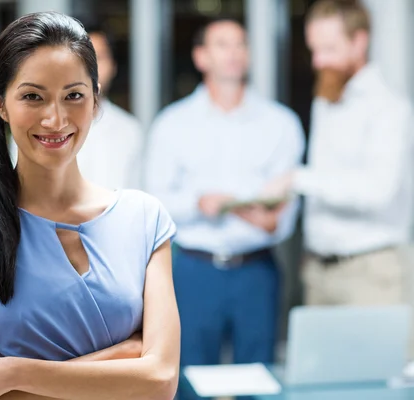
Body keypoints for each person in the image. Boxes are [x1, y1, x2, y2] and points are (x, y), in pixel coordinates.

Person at [0, 12, 179, 400]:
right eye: (32, 96)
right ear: (1, 103)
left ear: (95, 98)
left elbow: (160, 380)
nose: (55, 118)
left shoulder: (145, 218)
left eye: (73, 95)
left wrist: (8, 372)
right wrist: (126, 357)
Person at [144, 17, 304, 400]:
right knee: (186, 378)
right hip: (194, 271)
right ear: (201, 56)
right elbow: (156, 200)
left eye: (240, 44)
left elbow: (280, 220)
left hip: (257, 271)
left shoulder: (280, 123)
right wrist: (203, 203)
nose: (234, 53)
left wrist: (229, 206)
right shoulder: (173, 124)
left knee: (261, 378)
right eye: (222, 44)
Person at [263, 0, 413, 307]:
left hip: (371, 273)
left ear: (359, 42)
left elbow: (377, 191)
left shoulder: (390, 109)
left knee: (380, 357)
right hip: (318, 270)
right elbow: (329, 181)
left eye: (329, 49)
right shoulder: (326, 100)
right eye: (314, 49)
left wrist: (297, 179)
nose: (318, 61)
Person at [75, 22, 143, 190]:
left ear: (113, 66)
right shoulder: (38, 127)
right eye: (82, 58)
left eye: (99, 58)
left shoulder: (130, 129)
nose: (90, 68)